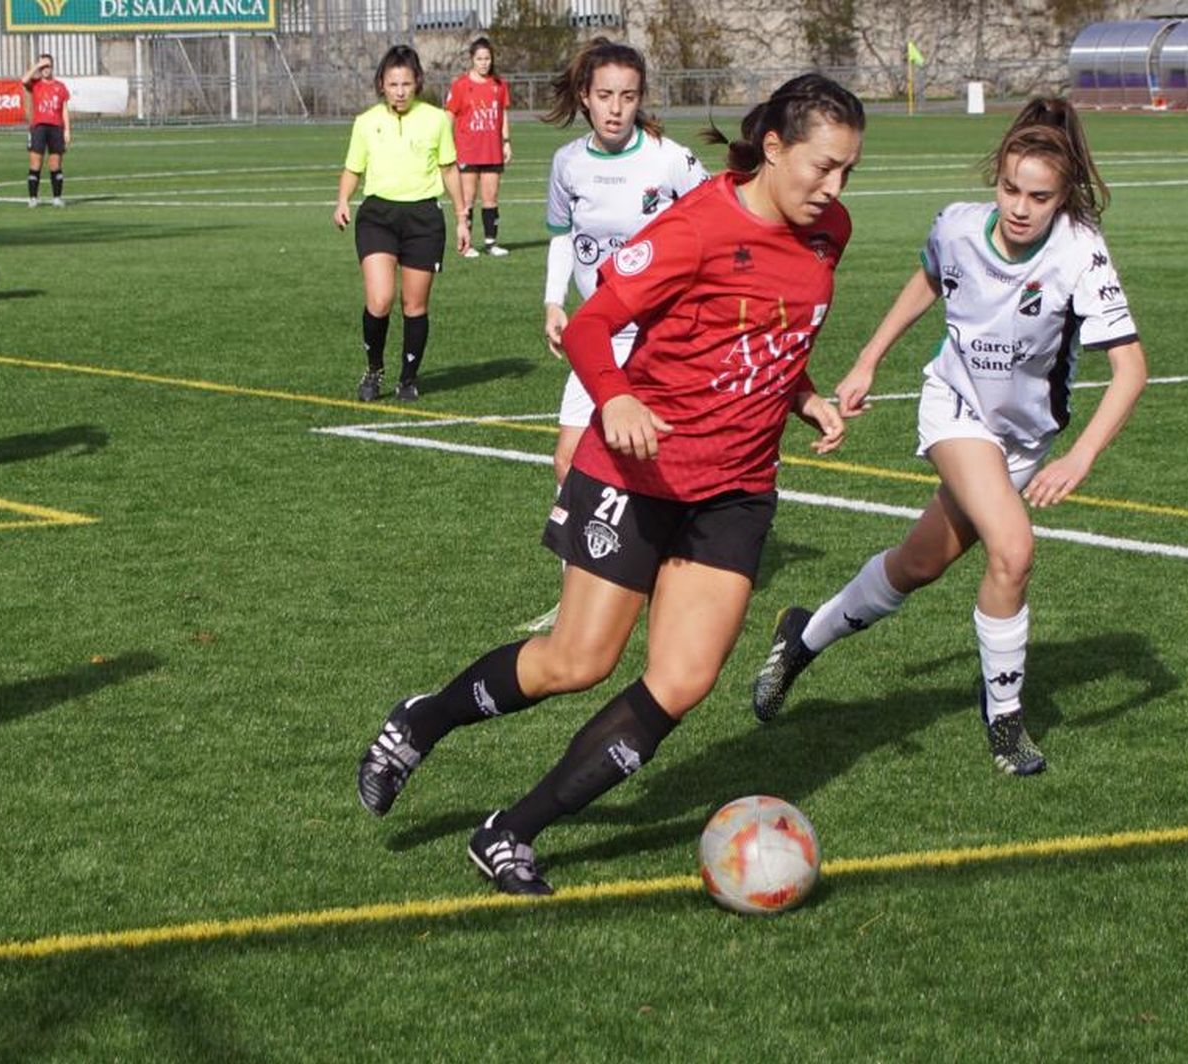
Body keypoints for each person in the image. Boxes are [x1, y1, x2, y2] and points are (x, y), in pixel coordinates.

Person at [356, 74, 863, 895]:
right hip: (638, 469)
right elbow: (593, 324)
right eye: (822, 167)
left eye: (847, 171)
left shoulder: (826, 230)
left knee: (684, 681)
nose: (834, 189)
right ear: (774, 149)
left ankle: (510, 831)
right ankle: (422, 720)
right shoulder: (695, 228)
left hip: (735, 487)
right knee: (575, 660)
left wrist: (802, 393)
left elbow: (773, 324)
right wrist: (619, 395)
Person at [751, 97, 1147, 776]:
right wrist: (869, 360)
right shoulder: (959, 226)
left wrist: (1080, 457)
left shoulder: (1080, 252)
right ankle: (1006, 723)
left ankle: (803, 636)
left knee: (917, 565)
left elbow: (1130, 369)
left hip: (1024, 440)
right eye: (1010, 189)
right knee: (1014, 550)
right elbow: (929, 280)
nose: (1021, 207)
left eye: (1039, 196)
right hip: (954, 409)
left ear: (1064, 197)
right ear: (996, 179)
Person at [520, 36, 709, 633]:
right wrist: (554, 302)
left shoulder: (668, 159)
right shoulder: (568, 164)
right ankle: (589, 585)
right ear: (584, 97)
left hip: (658, 331)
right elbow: (559, 236)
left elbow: (715, 218)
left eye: (628, 97)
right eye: (604, 95)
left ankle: (667, 574)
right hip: (595, 331)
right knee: (569, 457)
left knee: (656, 457)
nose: (615, 108)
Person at [335, 45, 471, 403]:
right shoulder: (365, 122)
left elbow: (448, 168)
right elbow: (353, 168)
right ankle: (374, 369)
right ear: (381, 84)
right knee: (379, 300)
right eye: (393, 84)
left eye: (406, 84)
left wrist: (461, 218)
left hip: (423, 219)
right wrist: (342, 201)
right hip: (377, 217)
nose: (399, 91)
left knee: (415, 305)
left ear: (418, 84)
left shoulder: (437, 120)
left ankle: (408, 379)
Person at [444, 37, 511, 258]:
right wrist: (446, 144)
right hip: (468, 150)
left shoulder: (499, 86)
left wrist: (506, 142)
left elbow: (503, 114)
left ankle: (491, 243)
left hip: (491, 149)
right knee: (468, 199)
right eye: (479, 58)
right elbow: (449, 116)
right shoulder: (461, 86)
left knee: (491, 198)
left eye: (487, 58)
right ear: (472, 60)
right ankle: (467, 245)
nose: (484, 63)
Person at [22, 54, 71, 208]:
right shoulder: (35, 84)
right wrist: (37, 65)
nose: (45, 69)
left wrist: (67, 130)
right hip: (39, 127)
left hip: (56, 127)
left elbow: (64, 109)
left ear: (52, 67)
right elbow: (23, 80)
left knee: (55, 163)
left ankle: (57, 197)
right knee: (35, 163)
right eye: (42, 67)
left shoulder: (60, 87)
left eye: (47, 66)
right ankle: (33, 198)